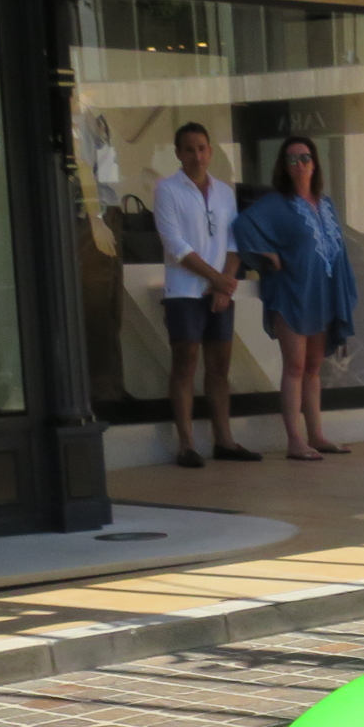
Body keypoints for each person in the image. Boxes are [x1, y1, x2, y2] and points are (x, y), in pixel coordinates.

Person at [232, 140, 358, 462]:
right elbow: (243, 225)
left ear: (314, 163)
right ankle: (294, 440)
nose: (299, 164)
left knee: (314, 367)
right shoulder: (277, 203)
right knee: (295, 366)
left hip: (322, 293)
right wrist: (267, 255)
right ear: (284, 167)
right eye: (292, 160)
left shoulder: (326, 204)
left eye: (305, 158)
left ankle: (316, 434)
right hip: (291, 293)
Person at [154, 122, 257, 468]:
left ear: (210, 151)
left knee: (220, 366)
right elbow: (175, 246)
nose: (197, 155)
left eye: (202, 148)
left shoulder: (225, 192)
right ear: (178, 154)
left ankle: (224, 440)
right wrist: (218, 280)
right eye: (189, 149)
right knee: (186, 361)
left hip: (219, 292)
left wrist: (224, 283)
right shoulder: (167, 190)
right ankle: (186, 444)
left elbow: (234, 241)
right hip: (184, 290)